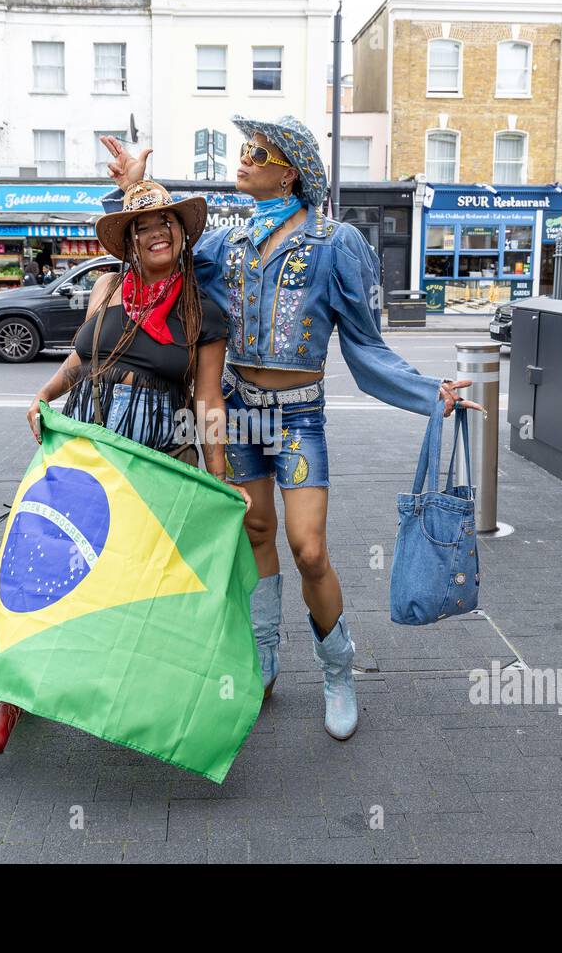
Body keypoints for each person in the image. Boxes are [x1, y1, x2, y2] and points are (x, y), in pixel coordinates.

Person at [103, 119, 481, 741]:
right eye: (245, 150)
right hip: (239, 410)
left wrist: (426, 392)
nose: (244, 159)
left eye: (259, 153)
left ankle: (338, 670)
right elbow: (155, 251)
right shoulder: (225, 244)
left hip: (299, 415)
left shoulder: (337, 243)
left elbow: (366, 346)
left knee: (309, 548)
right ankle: (265, 659)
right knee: (255, 534)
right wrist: (136, 191)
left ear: (290, 173)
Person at [0, 179, 252, 755]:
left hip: (155, 457)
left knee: (139, 583)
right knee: (46, 565)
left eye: (165, 225)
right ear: (128, 242)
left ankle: (144, 700)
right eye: (142, 229)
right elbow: (81, 357)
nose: (155, 234)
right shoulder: (105, 287)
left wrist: (221, 479)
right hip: (87, 448)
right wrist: (44, 394)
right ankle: (9, 698)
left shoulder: (204, 313)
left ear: (181, 234)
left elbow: (208, 401)